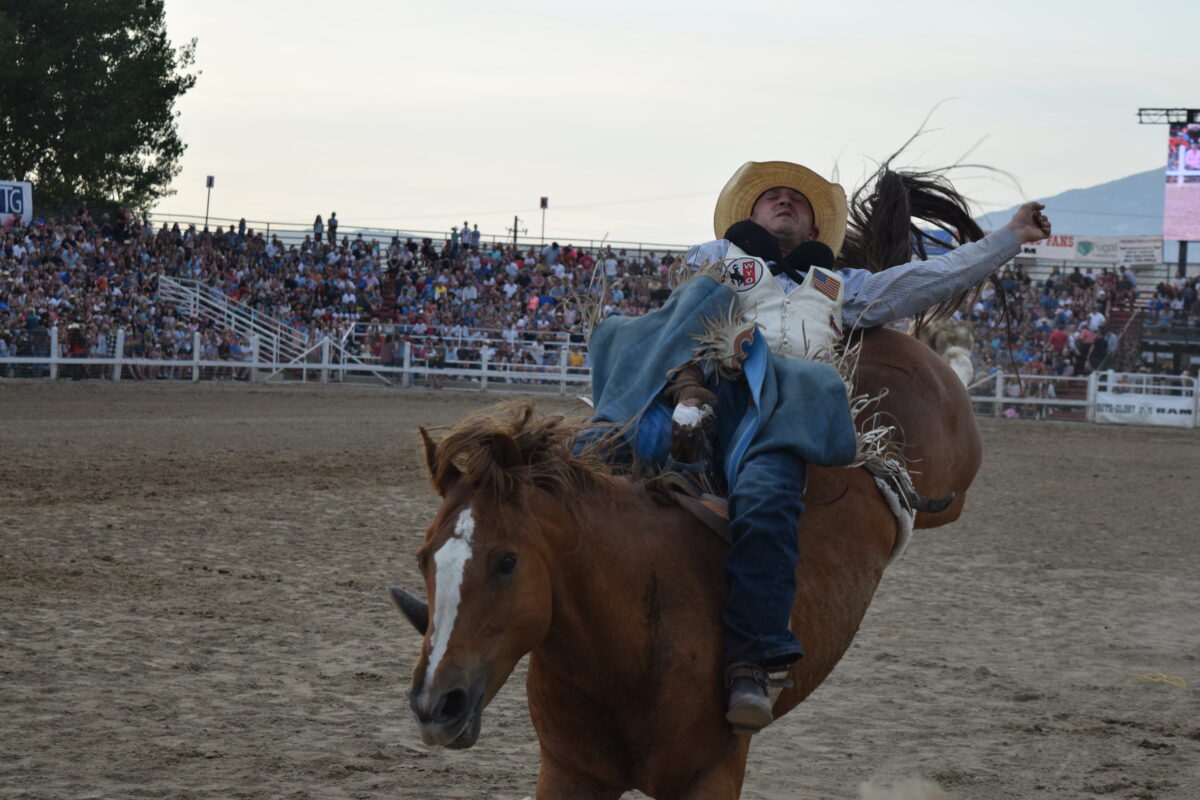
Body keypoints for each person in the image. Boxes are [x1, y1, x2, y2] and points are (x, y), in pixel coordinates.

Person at [584, 160, 1052, 735]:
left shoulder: (841, 288)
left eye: (797, 201)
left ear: (812, 230)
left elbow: (926, 281)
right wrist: (687, 384)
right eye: (772, 197)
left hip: (776, 417)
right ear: (748, 217)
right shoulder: (712, 262)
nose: (785, 201)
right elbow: (673, 323)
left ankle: (753, 661)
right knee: (594, 452)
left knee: (768, 499)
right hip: (697, 394)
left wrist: (1009, 237)